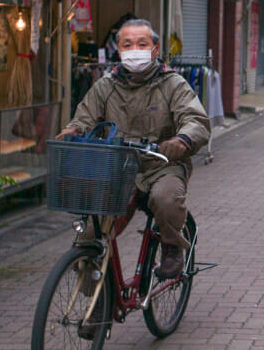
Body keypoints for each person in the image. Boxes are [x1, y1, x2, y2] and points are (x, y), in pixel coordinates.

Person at [57, 18, 210, 278]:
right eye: (127, 44)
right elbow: (84, 118)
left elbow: (195, 120)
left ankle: (173, 247)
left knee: (166, 198)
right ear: (118, 50)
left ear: (155, 49)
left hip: (161, 165)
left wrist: (182, 140)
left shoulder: (173, 84)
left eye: (142, 43)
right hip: (117, 168)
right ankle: (94, 306)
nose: (134, 49)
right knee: (90, 234)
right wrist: (73, 131)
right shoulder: (106, 86)